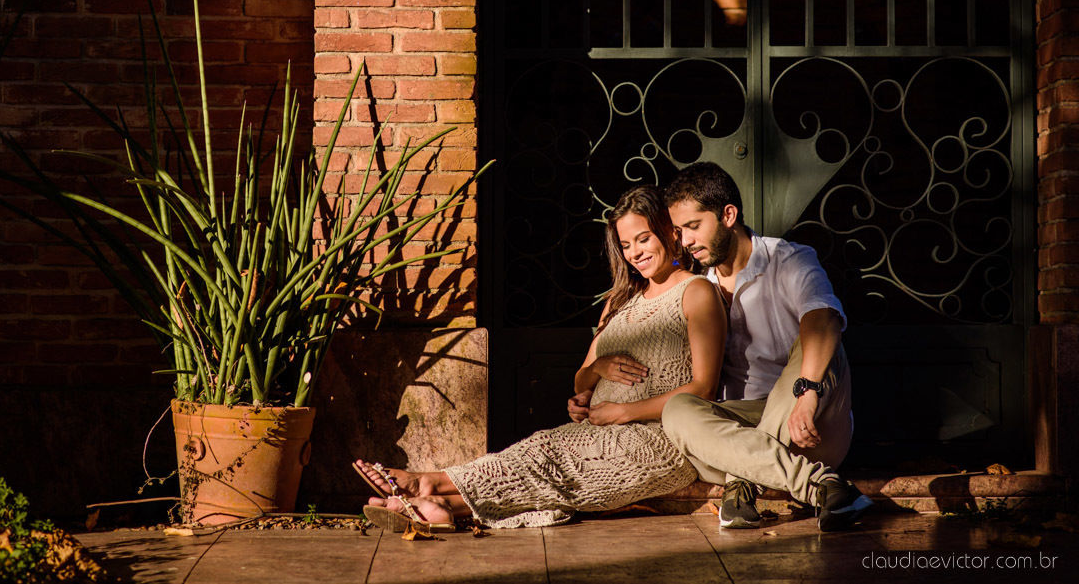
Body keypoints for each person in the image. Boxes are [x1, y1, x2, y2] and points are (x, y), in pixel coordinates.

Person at [354, 184, 728, 531]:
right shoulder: (619, 300)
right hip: (596, 431)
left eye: (644, 238)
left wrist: (624, 412)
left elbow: (703, 389)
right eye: (626, 245)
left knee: (548, 459)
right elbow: (580, 379)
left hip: (658, 441)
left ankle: (430, 482)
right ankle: (440, 506)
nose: (636, 253)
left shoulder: (696, 292)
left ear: (670, 233)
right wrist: (596, 373)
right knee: (538, 450)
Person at [570, 162, 872, 531]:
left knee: (817, 337)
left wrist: (807, 395)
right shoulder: (697, 283)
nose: (685, 241)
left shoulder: (788, 259)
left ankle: (742, 482)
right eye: (679, 231)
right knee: (678, 410)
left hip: (807, 423)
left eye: (693, 226)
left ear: (728, 215)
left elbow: (822, 320)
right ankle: (822, 486)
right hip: (731, 435)